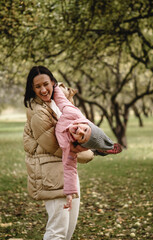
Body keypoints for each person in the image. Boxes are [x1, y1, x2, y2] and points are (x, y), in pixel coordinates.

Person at [23, 66, 94, 240]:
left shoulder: (61, 101)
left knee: (68, 230)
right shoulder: (38, 113)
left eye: (46, 84)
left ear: (53, 83)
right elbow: (58, 146)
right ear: (32, 89)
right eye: (38, 86)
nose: (43, 89)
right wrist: (91, 153)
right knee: (57, 231)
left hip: (68, 171)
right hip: (51, 175)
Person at [53, 84, 122, 210]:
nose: (80, 131)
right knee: (65, 100)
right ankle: (101, 148)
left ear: (80, 143)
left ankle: (100, 149)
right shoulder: (74, 114)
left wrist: (69, 193)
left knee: (86, 153)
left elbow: (70, 169)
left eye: (82, 136)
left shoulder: (70, 148)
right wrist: (54, 85)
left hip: (65, 138)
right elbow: (61, 101)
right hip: (61, 111)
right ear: (84, 124)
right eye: (84, 129)